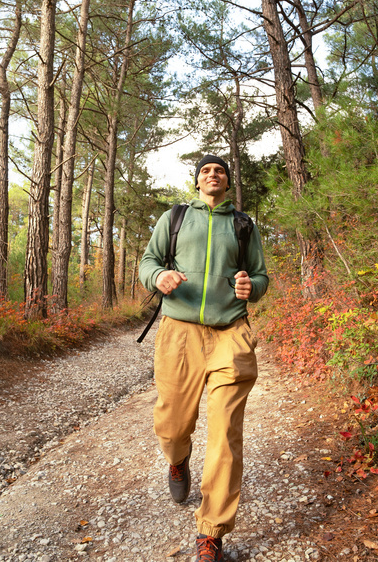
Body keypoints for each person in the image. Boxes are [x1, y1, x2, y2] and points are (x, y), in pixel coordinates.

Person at [139, 155, 269, 562]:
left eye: (220, 171)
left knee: (226, 434)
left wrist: (253, 286)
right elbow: (148, 261)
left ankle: (211, 532)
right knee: (173, 424)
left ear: (228, 183)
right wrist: (158, 277)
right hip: (179, 334)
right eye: (206, 171)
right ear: (197, 182)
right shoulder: (175, 218)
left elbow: (261, 275)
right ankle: (178, 461)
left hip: (231, 333)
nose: (213, 175)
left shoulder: (243, 225)